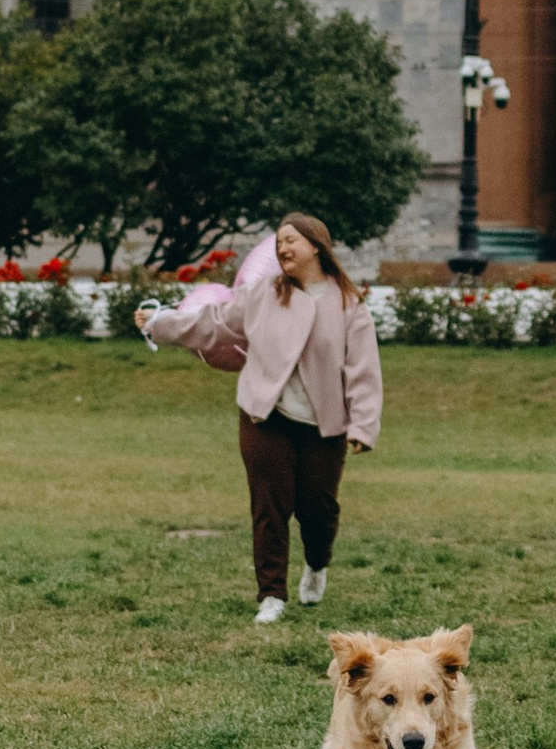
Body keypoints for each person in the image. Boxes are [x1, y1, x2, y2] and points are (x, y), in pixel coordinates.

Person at [137, 213, 382, 627]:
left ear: (317, 247)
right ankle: (271, 594)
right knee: (269, 505)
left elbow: (363, 369)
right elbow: (212, 325)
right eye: (279, 242)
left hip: (324, 424)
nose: (283, 249)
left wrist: (362, 426)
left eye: (292, 241)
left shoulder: (347, 304)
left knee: (317, 509)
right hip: (264, 415)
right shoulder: (262, 294)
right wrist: (160, 325)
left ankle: (317, 565)